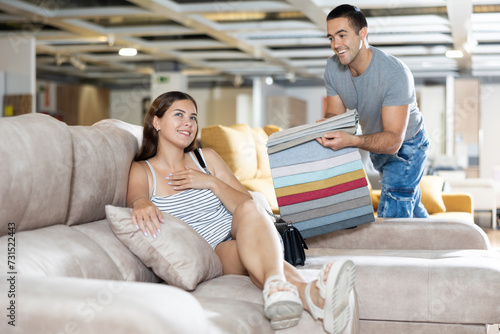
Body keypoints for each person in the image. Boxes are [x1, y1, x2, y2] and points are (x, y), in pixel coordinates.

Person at [126, 91, 356, 333]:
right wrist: (140, 203)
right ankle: (306, 293)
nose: (188, 123)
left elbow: (248, 205)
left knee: (250, 216)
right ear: (156, 121)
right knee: (254, 256)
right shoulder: (143, 170)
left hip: (240, 233)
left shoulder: (207, 159)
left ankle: (294, 292)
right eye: (179, 115)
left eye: (193, 117)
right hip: (212, 252)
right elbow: (136, 200)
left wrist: (209, 182)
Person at [319, 4, 430, 218]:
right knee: (411, 206)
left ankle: (394, 252)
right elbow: (334, 113)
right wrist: (325, 127)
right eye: (331, 38)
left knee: (393, 216)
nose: (336, 44)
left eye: (342, 35)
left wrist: (353, 140)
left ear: (363, 33)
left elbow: (394, 141)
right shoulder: (333, 67)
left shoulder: (394, 73)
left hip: (407, 145)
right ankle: (443, 245)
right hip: (377, 144)